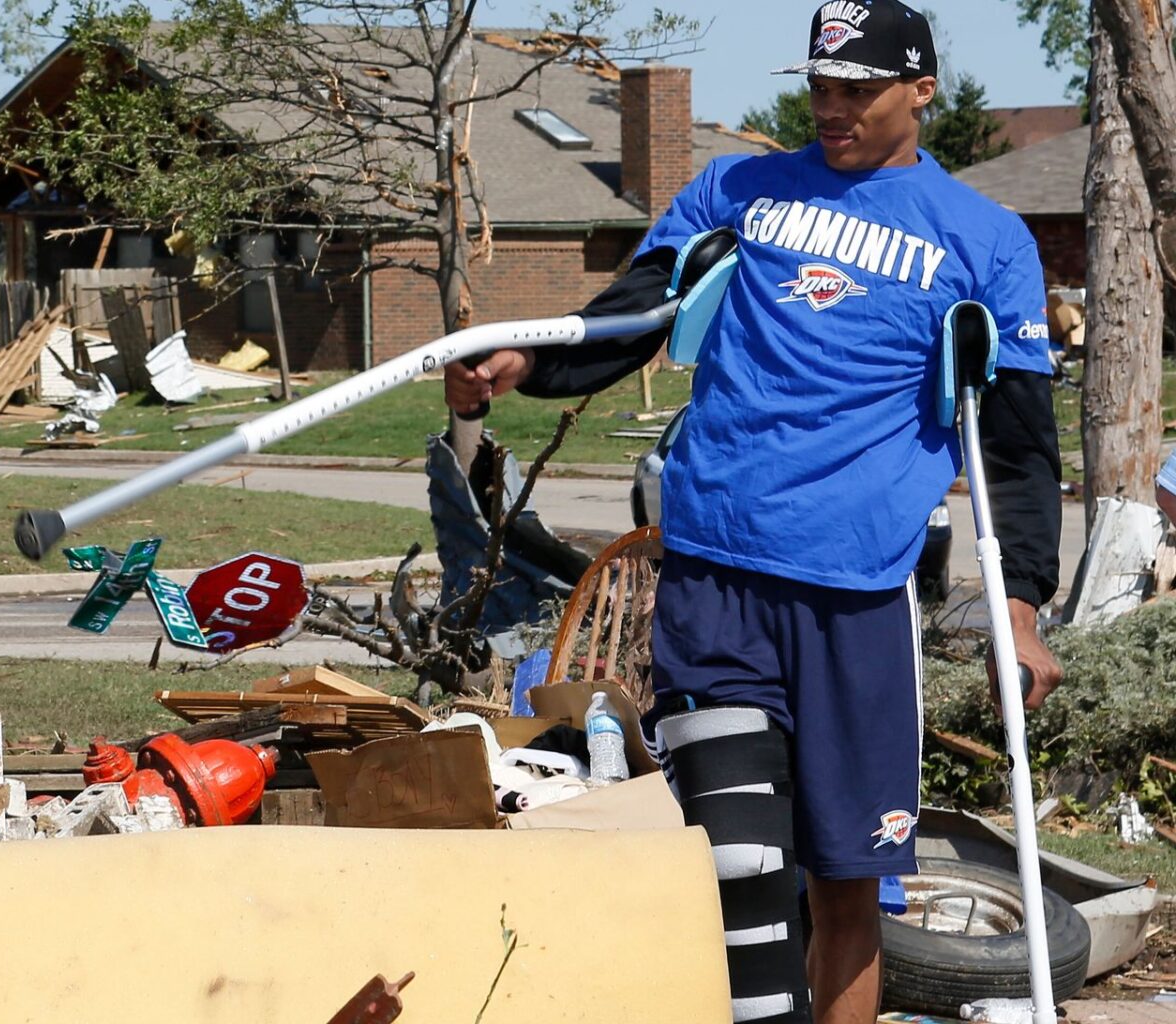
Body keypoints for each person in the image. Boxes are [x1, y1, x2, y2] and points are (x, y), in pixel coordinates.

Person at [445, 3, 1064, 1022]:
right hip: (717, 579)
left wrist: (1022, 610)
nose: (832, 107)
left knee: (846, 884)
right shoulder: (735, 192)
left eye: (858, 89)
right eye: (820, 85)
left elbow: (1019, 446)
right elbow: (633, 314)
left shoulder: (985, 241)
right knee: (741, 870)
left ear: (920, 90)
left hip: (857, 601)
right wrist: (532, 360)